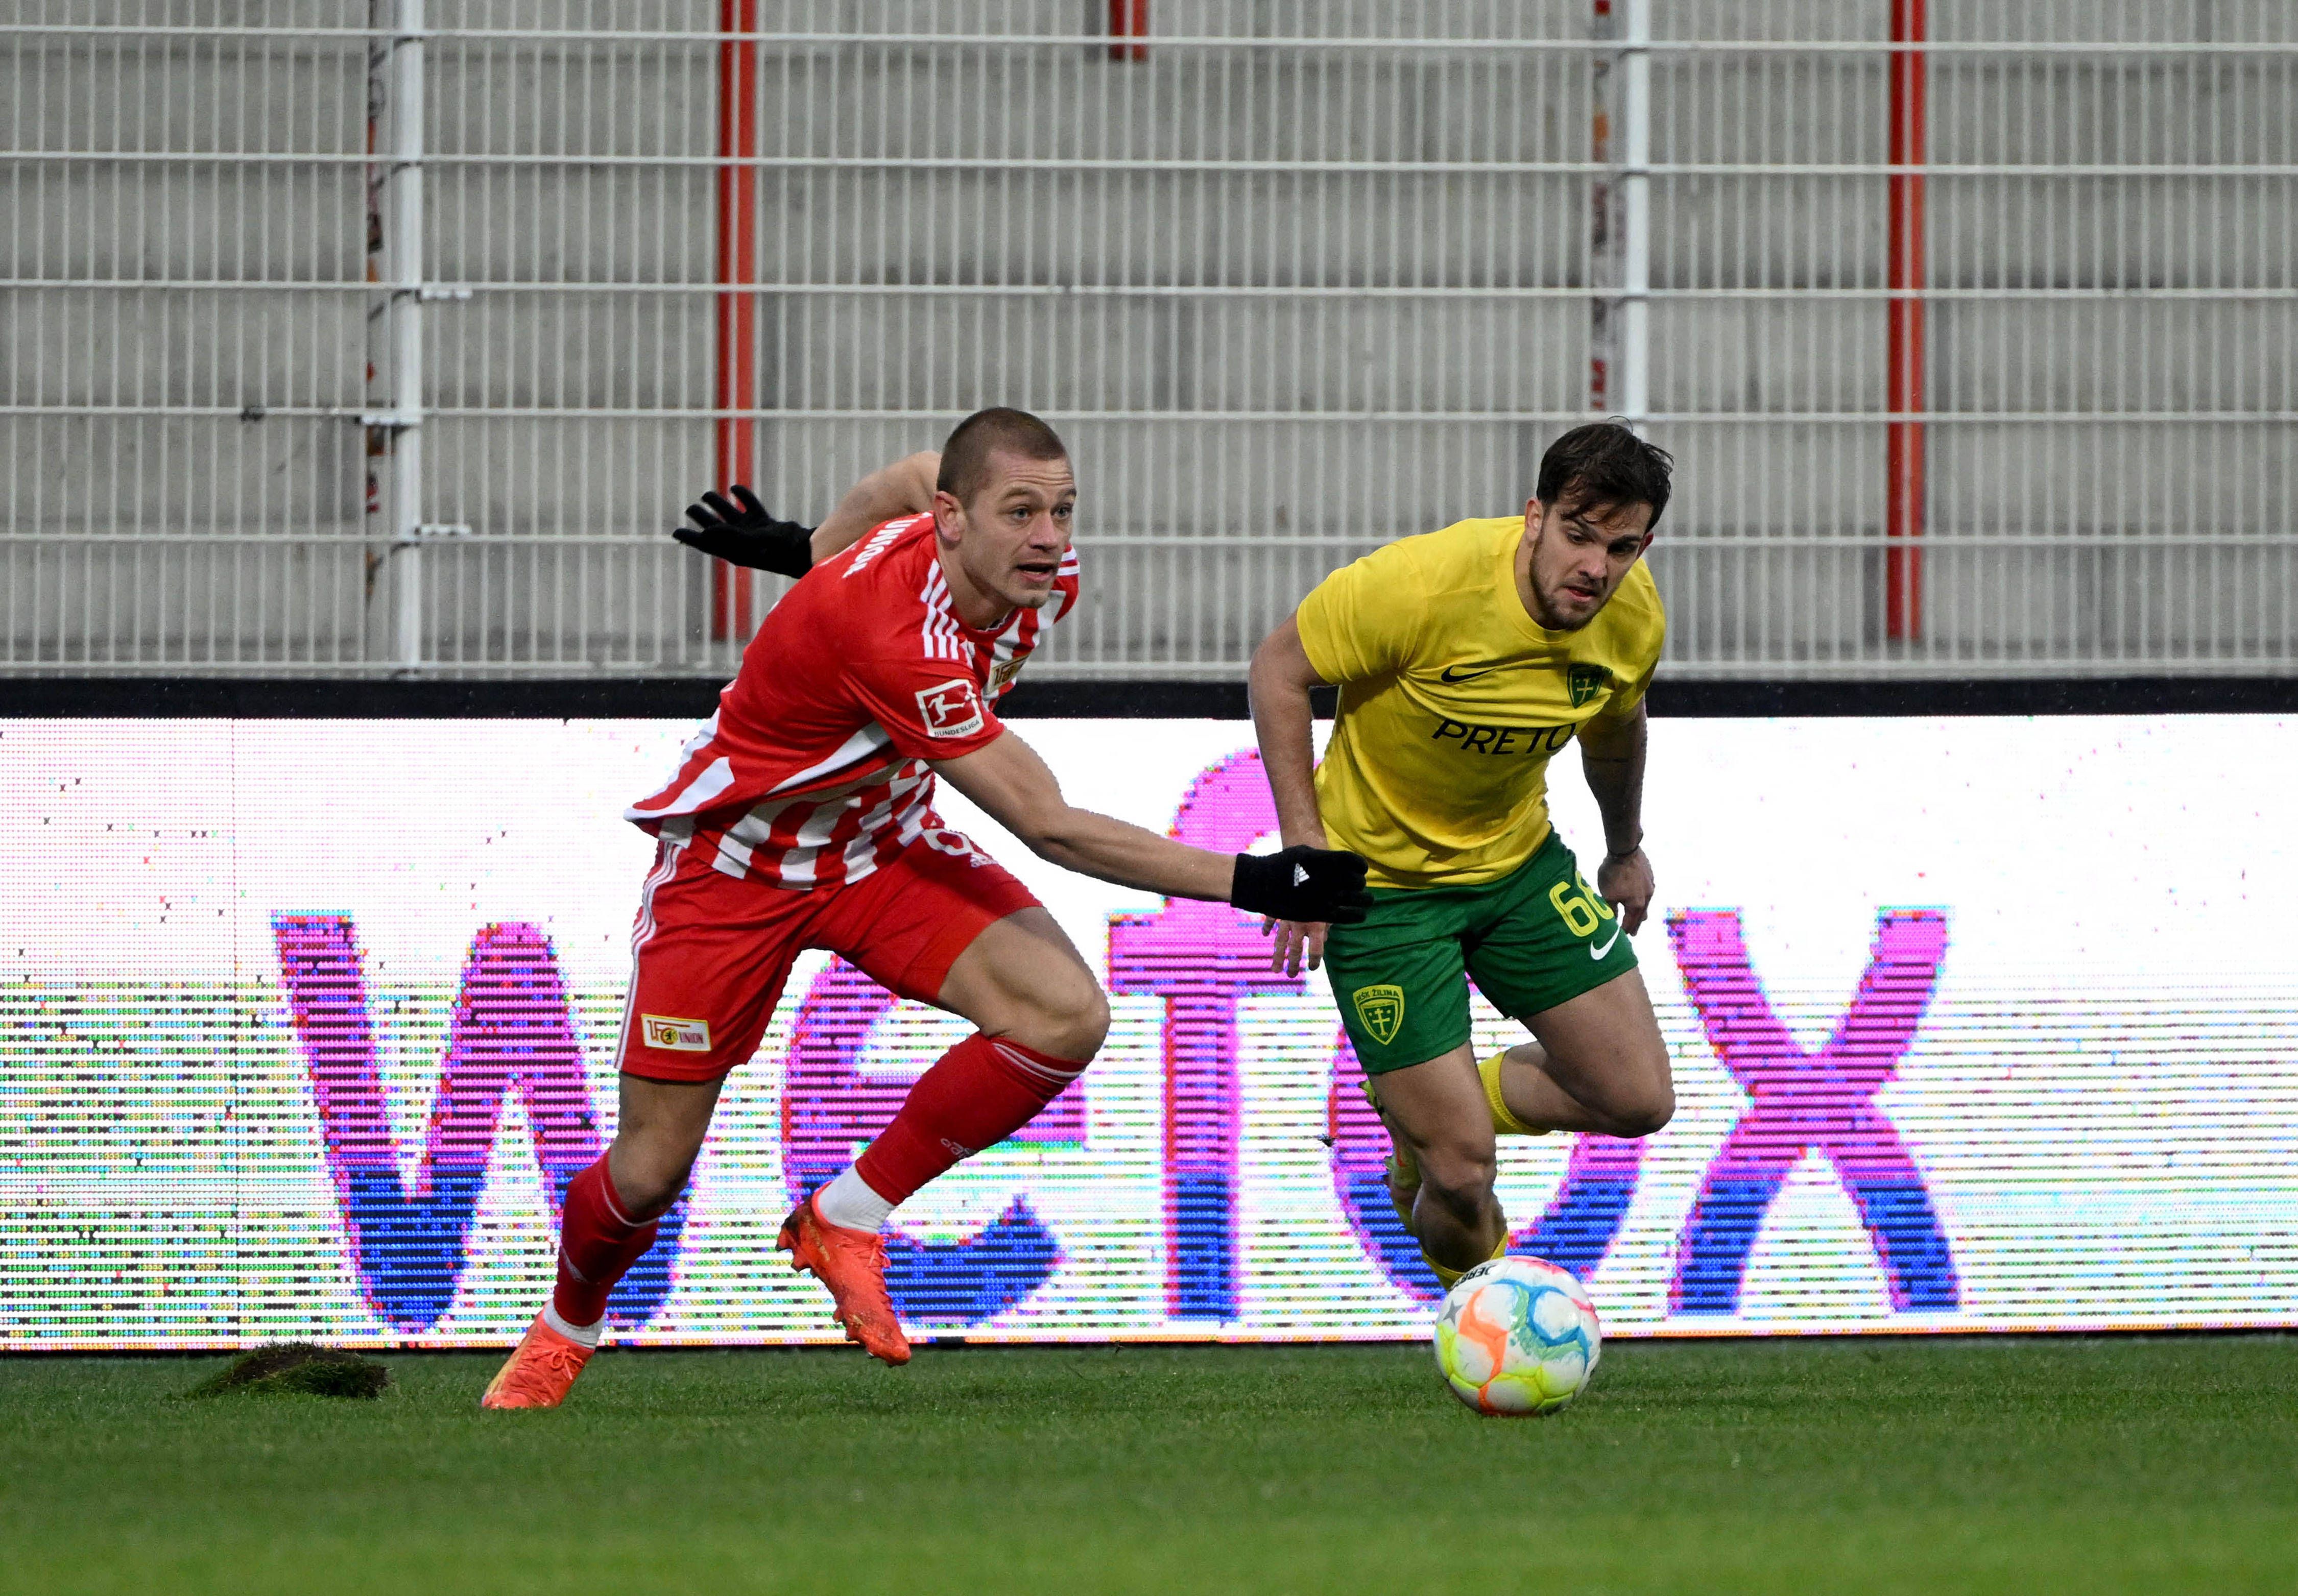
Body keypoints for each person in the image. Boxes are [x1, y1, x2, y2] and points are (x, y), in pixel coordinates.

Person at [482, 408, 1370, 1407]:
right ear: (954, 520)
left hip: (881, 846)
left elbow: (910, 472)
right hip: (739, 871)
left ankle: (845, 1217)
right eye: (1021, 512)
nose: (1050, 537)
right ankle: (565, 1326)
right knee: (648, 1171)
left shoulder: (1035, 575)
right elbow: (1048, 824)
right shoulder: (892, 631)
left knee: (1064, 1015)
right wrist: (1255, 880)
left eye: (1063, 510)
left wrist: (804, 549)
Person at [1246, 421, 1676, 1288]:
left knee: (1639, 1099)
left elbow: (1615, 731)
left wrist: (1624, 847)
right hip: (1383, 893)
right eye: (1578, 534)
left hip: (1518, 872)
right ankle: (1483, 1307)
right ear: (1534, 517)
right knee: (1460, 1170)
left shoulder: (1631, 622)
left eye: (1621, 546)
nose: (1595, 567)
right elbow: (1278, 671)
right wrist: (1305, 847)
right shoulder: (1420, 585)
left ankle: (1422, 1101)